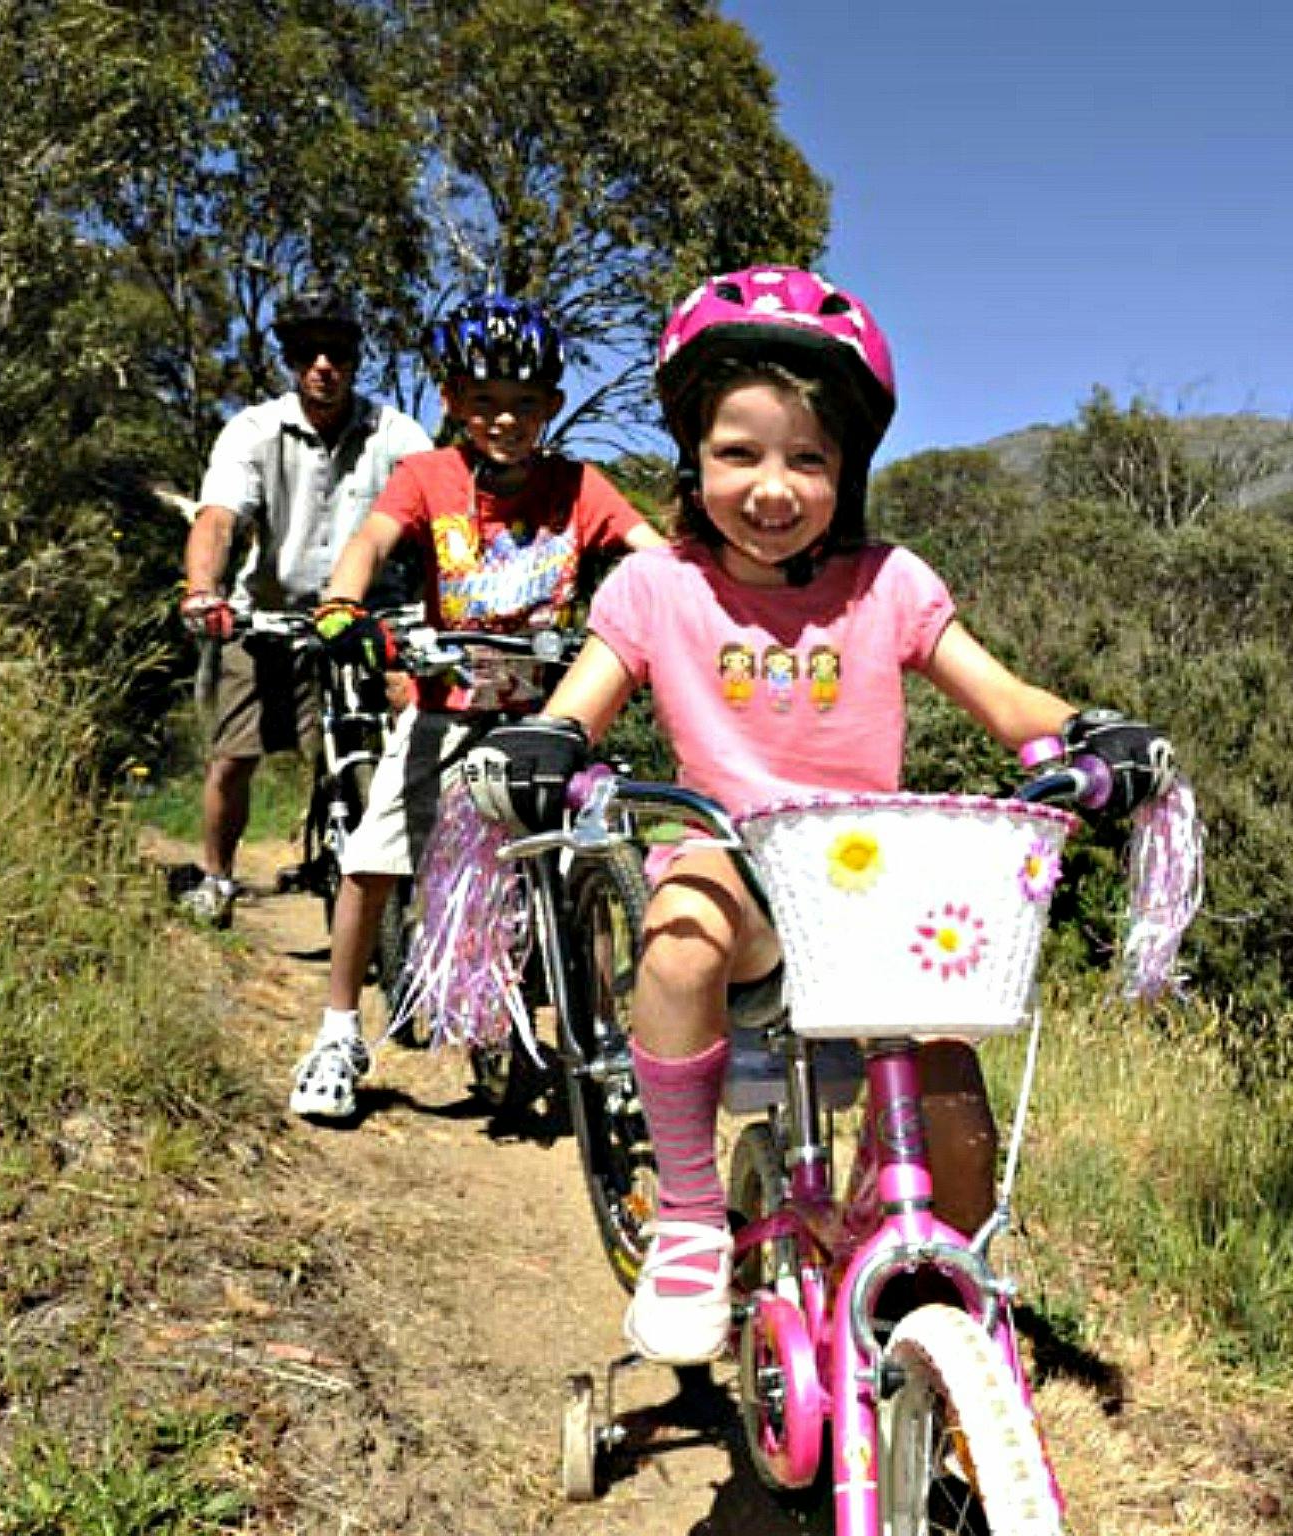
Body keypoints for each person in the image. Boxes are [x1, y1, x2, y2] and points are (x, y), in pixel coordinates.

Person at [459, 267, 1176, 1364]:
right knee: (681, 926)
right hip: (737, 856)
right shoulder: (659, 589)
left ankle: (945, 1273)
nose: (773, 486)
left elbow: (1002, 697)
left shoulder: (888, 584)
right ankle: (693, 1217)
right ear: (692, 460)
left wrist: (1083, 728)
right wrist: (552, 738)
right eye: (738, 453)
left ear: (849, 471)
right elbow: (585, 697)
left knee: (951, 1065)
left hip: (869, 881)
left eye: (808, 458)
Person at [286, 293, 669, 1119]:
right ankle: (338, 1028)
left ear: (553, 408)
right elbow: (371, 544)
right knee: (377, 857)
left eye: (524, 404)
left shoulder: (581, 486)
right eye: (484, 401)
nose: (504, 419)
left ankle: (600, 1037)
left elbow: (653, 557)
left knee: (588, 857)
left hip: (551, 717)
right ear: (453, 401)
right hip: (445, 709)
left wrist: (692, 596)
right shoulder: (428, 476)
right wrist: (343, 604)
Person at [178, 279, 433, 927]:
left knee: (423, 727)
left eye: (338, 351)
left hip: (376, 616)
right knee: (235, 754)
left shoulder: (397, 433)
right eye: (307, 351)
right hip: (271, 613)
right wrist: (202, 590)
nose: (324, 365)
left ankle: (430, 883)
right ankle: (217, 878)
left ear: (356, 357)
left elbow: (443, 511)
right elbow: (217, 519)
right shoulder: (255, 431)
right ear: (290, 359)